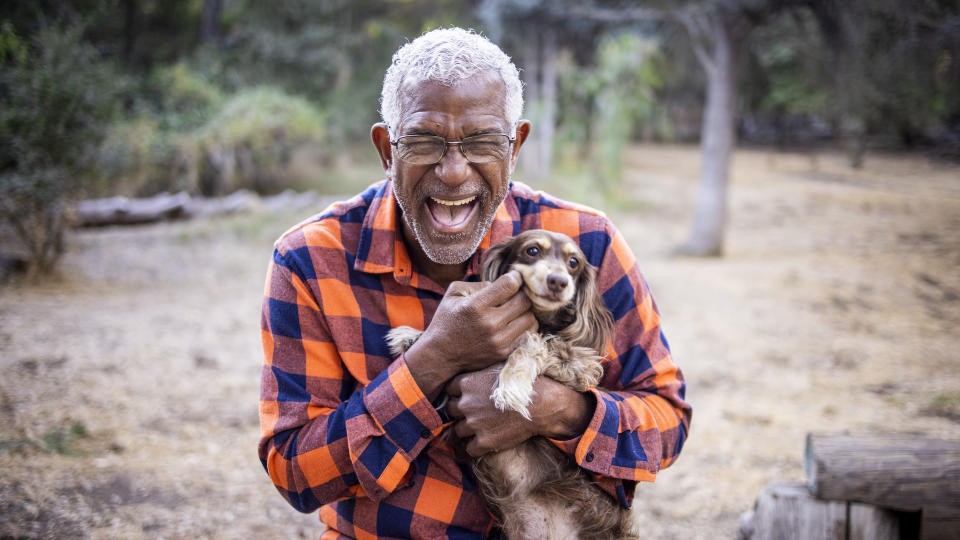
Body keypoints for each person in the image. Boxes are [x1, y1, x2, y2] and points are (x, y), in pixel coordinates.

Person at [258, 27, 691, 539]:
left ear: (515, 146)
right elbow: (295, 472)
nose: (454, 171)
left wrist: (557, 410)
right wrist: (435, 359)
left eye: (483, 141)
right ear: (385, 148)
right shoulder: (311, 260)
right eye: (423, 141)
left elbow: (667, 421)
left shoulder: (584, 245)